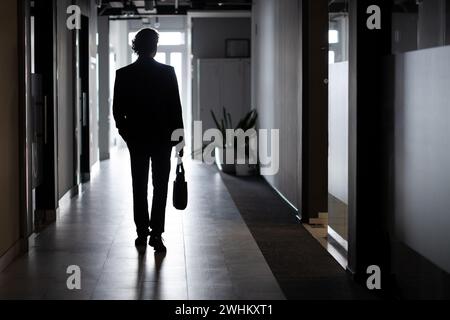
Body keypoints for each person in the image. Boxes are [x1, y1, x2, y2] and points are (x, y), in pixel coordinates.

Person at [113, 28, 184, 252]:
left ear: (136, 46)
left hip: (138, 140)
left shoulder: (124, 74)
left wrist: (127, 135)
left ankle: (141, 232)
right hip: (163, 140)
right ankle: (157, 234)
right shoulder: (167, 72)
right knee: (160, 186)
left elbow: (117, 111)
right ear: (155, 46)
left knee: (139, 186)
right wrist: (179, 140)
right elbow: (176, 110)